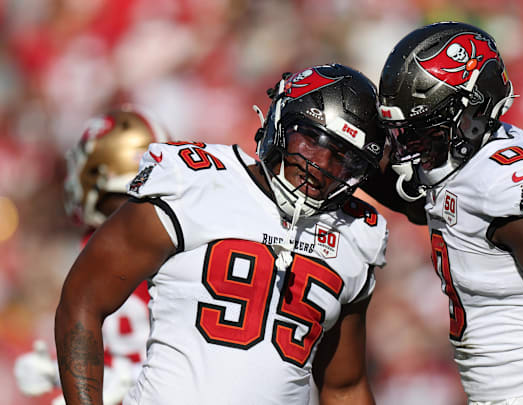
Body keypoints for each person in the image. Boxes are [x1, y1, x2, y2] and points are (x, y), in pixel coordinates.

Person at [54, 64, 388, 405]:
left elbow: (344, 385)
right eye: (311, 141)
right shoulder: (196, 183)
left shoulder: (353, 234)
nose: (321, 167)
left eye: (343, 158)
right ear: (280, 124)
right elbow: (83, 300)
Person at [361, 22, 523, 405]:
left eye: (423, 132)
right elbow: (422, 204)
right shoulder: (461, 164)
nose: (410, 149)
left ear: (472, 111)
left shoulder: (507, 182)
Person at [14, 107, 171, 405]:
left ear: (103, 168)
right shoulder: (162, 235)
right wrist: (56, 370)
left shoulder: (136, 245)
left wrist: (121, 381)